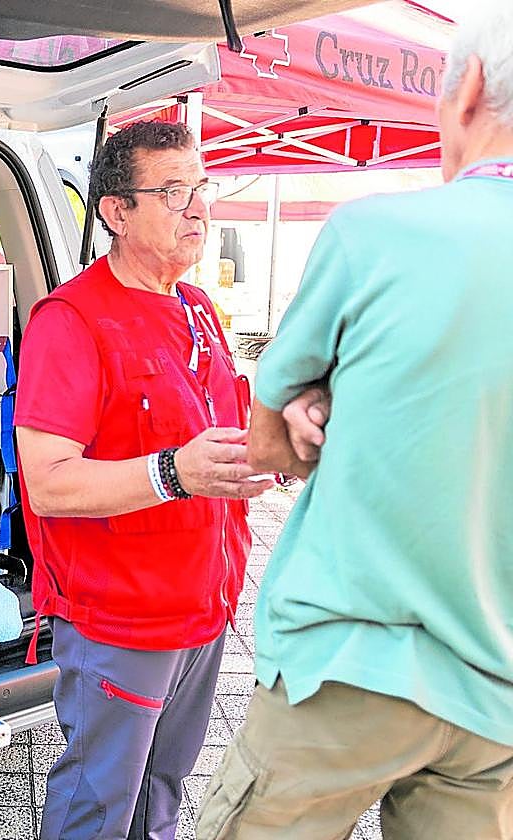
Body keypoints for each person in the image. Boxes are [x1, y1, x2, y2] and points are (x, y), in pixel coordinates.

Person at [196, 4, 513, 838]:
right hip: (498, 706)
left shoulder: (379, 231)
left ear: (470, 87)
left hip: (346, 670)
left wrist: (311, 412)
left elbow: (270, 445)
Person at [15, 121, 274, 840]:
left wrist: (265, 453)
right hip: (120, 624)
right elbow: (50, 485)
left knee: (160, 799)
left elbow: (216, 435)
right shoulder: (71, 321)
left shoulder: (197, 309)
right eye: (174, 192)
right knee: (98, 807)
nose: (199, 210)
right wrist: (175, 474)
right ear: (116, 212)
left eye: (201, 189)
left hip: (205, 610)